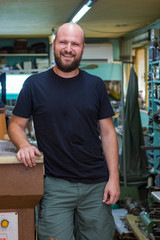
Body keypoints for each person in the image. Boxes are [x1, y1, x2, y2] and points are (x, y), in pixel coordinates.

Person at [8, 23, 120, 240]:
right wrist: (24, 145)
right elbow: (15, 125)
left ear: (82, 48)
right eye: (63, 42)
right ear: (54, 45)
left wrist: (114, 178)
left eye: (75, 44)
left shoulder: (95, 85)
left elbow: (108, 133)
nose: (68, 48)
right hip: (55, 185)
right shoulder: (33, 85)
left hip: (95, 185)